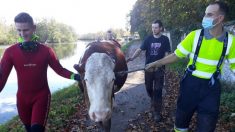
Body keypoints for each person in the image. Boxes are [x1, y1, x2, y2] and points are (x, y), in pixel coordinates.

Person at [145, 1, 235, 131]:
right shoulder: (195, 35)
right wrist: (156, 63)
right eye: (205, 14)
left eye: (209, 14)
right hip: (189, 86)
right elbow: (176, 55)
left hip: (211, 90)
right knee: (181, 124)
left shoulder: (231, 41)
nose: (205, 17)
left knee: (207, 127)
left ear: (220, 18)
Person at [0, 12, 80, 132]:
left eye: (26, 29)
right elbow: (1, 79)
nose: (22, 34)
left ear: (34, 28)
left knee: (36, 130)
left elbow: (59, 70)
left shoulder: (46, 51)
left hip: (41, 96)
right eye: (19, 30)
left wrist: (77, 76)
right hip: (22, 99)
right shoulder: (10, 52)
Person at [127, 20, 171, 122]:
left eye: (156, 27)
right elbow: (139, 50)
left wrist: (161, 64)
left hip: (159, 70)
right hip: (148, 69)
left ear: (161, 28)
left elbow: (167, 54)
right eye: (152, 27)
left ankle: (157, 112)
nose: (153, 29)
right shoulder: (148, 39)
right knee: (148, 88)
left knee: (158, 90)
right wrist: (132, 58)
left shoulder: (165, 40)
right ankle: (153, 98)